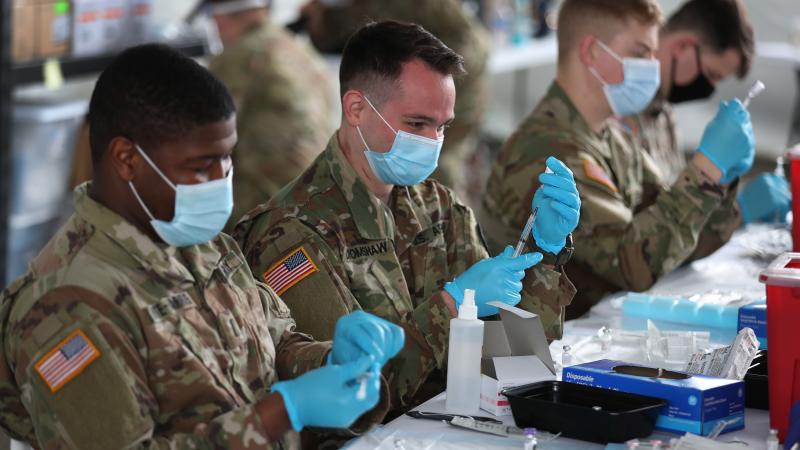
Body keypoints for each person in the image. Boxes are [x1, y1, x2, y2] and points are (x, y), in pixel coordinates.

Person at [0, 44, 404, 449]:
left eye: (227, 158)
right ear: (126, 159)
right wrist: (282, 412)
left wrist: (332, 363)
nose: (221, 179)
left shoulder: (204, 245)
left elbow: (274, 345)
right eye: (199, 166)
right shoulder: (67, 304)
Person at [234, 21, 578, 415]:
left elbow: (517, 359)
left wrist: (545, 251)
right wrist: (450, 307)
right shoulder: (290, 232)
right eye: (417, 124)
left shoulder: (437, 205)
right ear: (356, 109)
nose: (433, 142)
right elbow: (350, 395)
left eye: (442, 126)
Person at [481, 0, 756, 319]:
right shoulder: (549, 152)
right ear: (591, 52)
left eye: (653, 54)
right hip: (541, 342)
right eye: (640, 53)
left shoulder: (614, 137)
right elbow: (635, 266)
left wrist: (720, 181)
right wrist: (707, 171)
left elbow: (674, 244)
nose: (652, 67)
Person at [297, 0, 490, 203]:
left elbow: (357, 18)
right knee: (435, 159)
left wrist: (322, 19)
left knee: (434, 162)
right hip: (461, 63)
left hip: (451, 71)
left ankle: (438, 212)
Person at [633, 0, 787, 226]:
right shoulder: (619, 107)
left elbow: (674, 221)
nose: (710, 89)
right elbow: (634, 240)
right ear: (683, 47)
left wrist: (728, 205)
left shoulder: (662, 113)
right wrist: (710, 176)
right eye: (712, 74)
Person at [193, 0, 337, 228]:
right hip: (316, 201)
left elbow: (200, 138)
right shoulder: (301, 51)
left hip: (263, 206)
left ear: (219, 20)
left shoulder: (240, 56)